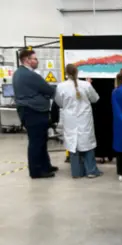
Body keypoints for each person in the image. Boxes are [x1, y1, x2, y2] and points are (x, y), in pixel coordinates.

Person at [12, 49, 57, 179]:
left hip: (30, 111)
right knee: (37, 142)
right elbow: (48, 89)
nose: (37, 61)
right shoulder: (29, 75)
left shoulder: (19, 73)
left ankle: (45, 166)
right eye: (35, 59)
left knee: (41, 140)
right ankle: (36, 171)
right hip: (34, 112)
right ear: (27, 60)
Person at [55, 64, 103, 179]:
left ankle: (76, 172)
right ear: (77, 72)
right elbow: (95, 98)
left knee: (73, 145)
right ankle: (91, 170)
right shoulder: (85, 85)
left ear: (66, 73)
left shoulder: (61, 86)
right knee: (87, 144)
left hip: (70, 120)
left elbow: (59, 103)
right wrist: (90, 85)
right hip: (84, 119)